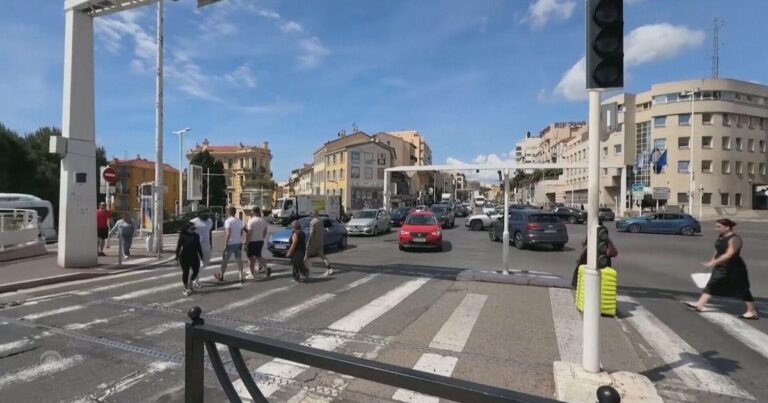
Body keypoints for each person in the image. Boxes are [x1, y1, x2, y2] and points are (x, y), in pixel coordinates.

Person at [684, 219, 759, 319]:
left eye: (719, 227)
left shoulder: (734, 239)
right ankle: (700, 305)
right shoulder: (721, 237)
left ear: (727, 227)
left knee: (742, 288)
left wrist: (713, 262)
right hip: (721, 266)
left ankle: (751, 311)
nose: (716, 229)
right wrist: (712, 260)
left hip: (734, 267)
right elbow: (718, 250)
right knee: (712, 284)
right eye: (716, 226)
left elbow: (729, 254)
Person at [215, 207, 245, 283]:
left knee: (225, 260)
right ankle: (241, 276)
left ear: (229, 212)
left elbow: (228, 234)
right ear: (235, 212)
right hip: (238, 243)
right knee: (239, 259)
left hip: (230, 243)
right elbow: (241, 233)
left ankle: (221, 275)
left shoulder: (228, 221)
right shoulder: (240, 221)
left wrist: (225, 244)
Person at [176, 222, 204, 296]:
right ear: (187, 229)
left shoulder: (196, 235)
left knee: (196, 270)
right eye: (192, 228)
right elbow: (178, 247)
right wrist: (176, 257)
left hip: (194, 256)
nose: (194, 230)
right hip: (184, 257)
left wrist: (201, 256)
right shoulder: (182, 236)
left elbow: (198, 246)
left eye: (194, 228)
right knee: (186, 272)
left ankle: (190, 283)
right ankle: (186, 288)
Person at [305, 210, 333, 276]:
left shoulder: (312, 222)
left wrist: (308, 241)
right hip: (320, 241)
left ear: (314, 214)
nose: (310, 214)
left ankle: (304, 271)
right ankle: (329, 268)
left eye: (311, 213)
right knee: (322, 255)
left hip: (313, 242)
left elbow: (312, 233)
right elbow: (322, 229)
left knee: (306, 255)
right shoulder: (320, 221)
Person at [245, 206, 271, 278]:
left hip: (252, 241)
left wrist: (246, 243)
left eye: (251, 211)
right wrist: (261, 238)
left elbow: (249, 233)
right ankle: (266, 268)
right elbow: (265, 232)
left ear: (253, 212)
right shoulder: (263, 221)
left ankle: (252, 274)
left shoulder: (251, 221)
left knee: (250, 258)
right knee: (258, 256)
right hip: (260, 241)